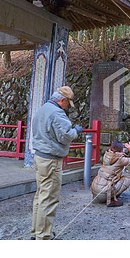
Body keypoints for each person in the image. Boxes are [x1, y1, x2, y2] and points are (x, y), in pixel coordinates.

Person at [30, 86, 84, 240]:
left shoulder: (43, 109)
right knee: (50, 198)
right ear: (62, 100)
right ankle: (44, 236)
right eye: (68, 103)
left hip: (40, 156)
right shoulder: (57, 113)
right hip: (51, 160)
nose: (68, 107)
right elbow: (65, 136)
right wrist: (76, 130)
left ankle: (36, 232)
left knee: (40, 195)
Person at [91, 141, 130, 207]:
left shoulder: (106, 155)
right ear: (121, 149)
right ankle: (111, 199)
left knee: (112, 177)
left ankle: (110, 196)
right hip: (103, 192)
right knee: (128, 179)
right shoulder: (120, 159)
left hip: (95, 189)